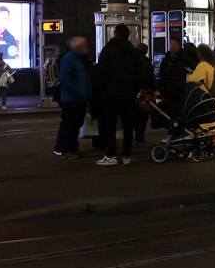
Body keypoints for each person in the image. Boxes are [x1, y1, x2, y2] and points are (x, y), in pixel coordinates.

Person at [93, 24, 150, 166]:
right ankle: (126, 155)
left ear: (115, 33)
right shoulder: (133, 51)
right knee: (128, 124)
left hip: (111, 93)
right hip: (128, 93)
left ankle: (111, 155)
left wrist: (99, 91)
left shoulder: (108, 50)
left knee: (110, 125)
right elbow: (139, 73)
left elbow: (102, 73)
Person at [54, 36, 91, 159]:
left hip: (79, 99)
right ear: (78, 47)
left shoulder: (79, 59)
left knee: (75, 125)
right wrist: (79, 93)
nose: (87, 48)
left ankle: (72, 147)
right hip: (71, 99)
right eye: (84, 45)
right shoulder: (69, 59)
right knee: (70, 125)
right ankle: (66, 149)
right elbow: (65, 79)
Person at [156, 37, 192, 123]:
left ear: (179, 46)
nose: (171, 47)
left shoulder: (185, 59)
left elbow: (191, 71)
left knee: (180, 115)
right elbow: (162, 76)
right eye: (170, 45)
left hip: (181, 93)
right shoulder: (166, 60)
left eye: (174, 45)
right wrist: (162, 91)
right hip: (169, 94)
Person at [133, 43, 152, 144]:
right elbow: (150, 80)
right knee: (142, 117)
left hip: (132, 92)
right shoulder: (147, 64)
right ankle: (140, 137)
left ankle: (134, 137)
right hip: (144, 93)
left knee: (133, 116)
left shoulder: (131, 62)